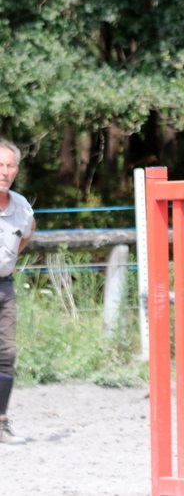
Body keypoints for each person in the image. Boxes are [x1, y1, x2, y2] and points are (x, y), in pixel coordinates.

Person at [0, 138, 35, 445]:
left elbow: (27, 234)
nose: (4, 171)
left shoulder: (21, 205)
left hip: (4, 287)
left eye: (10, 166)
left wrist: (8, 262)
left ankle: (1, 422)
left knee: (6, 354)